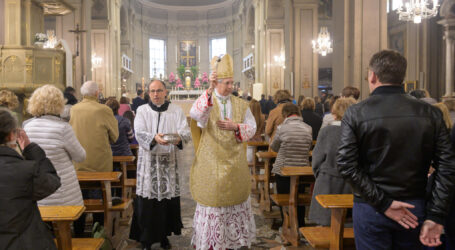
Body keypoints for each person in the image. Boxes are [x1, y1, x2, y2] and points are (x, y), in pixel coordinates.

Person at [336, 50, 455, 249]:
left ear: (372, 76)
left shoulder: (356, 113)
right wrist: (437, 214)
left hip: (371, 206)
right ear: (402, 77)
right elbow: (447, 168)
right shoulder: (430, 113)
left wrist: (384, 204)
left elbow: (346, 165)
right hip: (413, 205)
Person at [190, 54, 257, 250]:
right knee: (214, 202)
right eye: (226, 83)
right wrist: (209, 90)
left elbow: (252, 128)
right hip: (211, 162)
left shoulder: (241, 104)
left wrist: (236, 126)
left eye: (231, 83)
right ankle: (212, 242)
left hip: (234, 162)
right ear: (217, 82)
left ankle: (232, 241)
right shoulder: (208, 100)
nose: (230, 87)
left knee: (234, 201)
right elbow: (196, 115)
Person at [129, 80, 190, 250]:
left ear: (166, 92)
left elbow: (186, 132)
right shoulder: (142, 110)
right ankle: (146, 239)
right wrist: (154, 138)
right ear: (149, 93)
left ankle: (164, 237)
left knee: (166, 203)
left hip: (168, 163)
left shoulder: (176, 110)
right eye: (152, 91)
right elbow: (139, 132)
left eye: (159, 91)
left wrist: (178, 138)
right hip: (148, 164)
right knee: (148, 203)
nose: (155, 94)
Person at [0, 109, 61, 250]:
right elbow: (51, 183)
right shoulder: (25, 170)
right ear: (11, 135)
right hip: (24, 242)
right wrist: (30, 149)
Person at [23, 85, 86, 207]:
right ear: (59, 103)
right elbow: (80, 157)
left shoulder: (27, 127)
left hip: (39, 192)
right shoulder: (62, 128)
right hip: (62, 191)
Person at [308, 97, 356, 226]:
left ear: (335, 112)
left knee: (326, 222)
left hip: (328, 180)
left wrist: (319, 175)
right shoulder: (359, 131)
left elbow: (317, 159)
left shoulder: (327, 131)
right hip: (352, 181)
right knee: (350, 223)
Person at [270, 103, 312, 227]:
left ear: (285, 114)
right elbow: (308, 147)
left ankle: (287, 223)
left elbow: (274, 146)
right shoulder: (308, 128)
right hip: (302, 169)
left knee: (285, 197)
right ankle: (300, 223)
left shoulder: (281, 128)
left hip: (283, 168)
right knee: (298, 198)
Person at [70, 81, 119, 172]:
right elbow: (114, 137)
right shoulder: (105, 110)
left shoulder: (73, 109)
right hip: (100, 164)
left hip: (78, 163)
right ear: (97, 93)